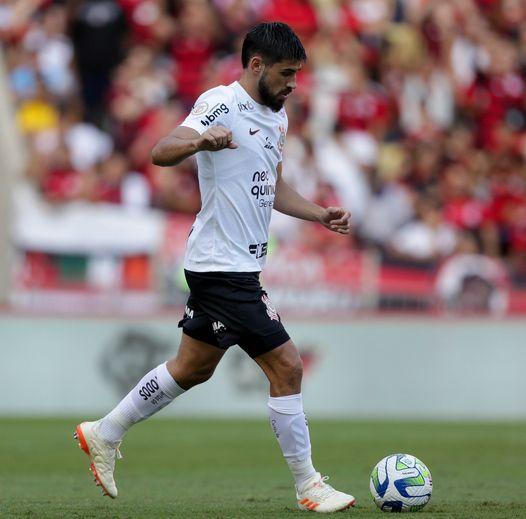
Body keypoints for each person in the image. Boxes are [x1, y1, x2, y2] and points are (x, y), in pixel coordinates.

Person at [74, 22, 355, 513]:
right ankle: (308, 484)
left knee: (192, 367)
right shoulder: (219, 102)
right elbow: (161, 151)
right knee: (287, 366)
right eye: (287, 74)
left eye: (297, 75)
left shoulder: (277, 118)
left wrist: (319, 214)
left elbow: (274, 187)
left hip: (237, 265)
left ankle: (105, 431)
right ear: (256, 65)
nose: (293, 84)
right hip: (219, 267)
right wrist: (201, 142)